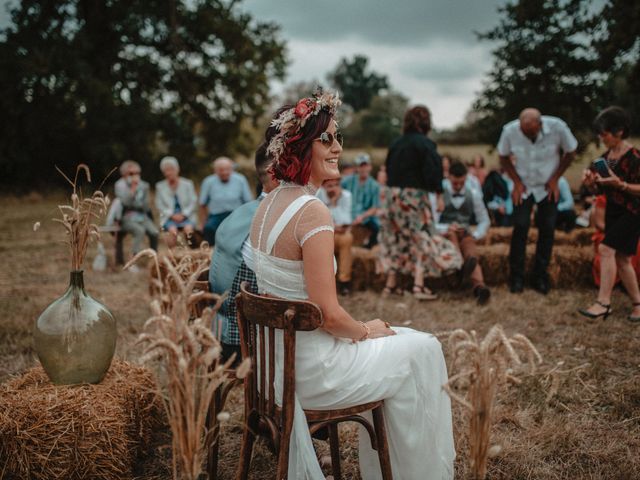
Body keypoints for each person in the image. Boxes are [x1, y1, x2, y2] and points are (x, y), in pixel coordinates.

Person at [244, 91, 455, 479]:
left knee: (407, 340)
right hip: (313, 373)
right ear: (300, 146)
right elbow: (328, 315)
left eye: (337, 138)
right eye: (327, 139)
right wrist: (365, 330)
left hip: (276, 371)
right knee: (425, 348)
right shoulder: (312, 212)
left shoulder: (268, 204)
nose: (338, 147)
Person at [380, 105, 463, 300]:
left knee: (396, 238)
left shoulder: (396, 144)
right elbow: (433, 174)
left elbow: (389, 171)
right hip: (414, 196)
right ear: (426, 123)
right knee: (421, 237)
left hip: (392, 196)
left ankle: (390, 285)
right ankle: (418, 285)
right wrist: (439, 195)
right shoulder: (426, 144)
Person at [209, 143, 278, 363]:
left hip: (216, 327)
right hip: (242, 338)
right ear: (275, 174)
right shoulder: (269, 221)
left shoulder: (241, 212)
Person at [498, 107, 578, 294]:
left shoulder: (558, 127)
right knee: (520, 227)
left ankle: (540, 277)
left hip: (547, 186)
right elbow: (502, 156)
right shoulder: (509, 130)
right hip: (523, 186)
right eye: (524, 133)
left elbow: (571, 152)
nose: (528, 136)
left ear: (540, 125)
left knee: (547, 228)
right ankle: (516, 278)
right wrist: (516, 181)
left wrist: (555, 178)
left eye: (531, 132)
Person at [579, 106, 640, 322]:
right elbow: (600, 190)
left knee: (606, 249)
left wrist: (621, 184)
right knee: (623, 259)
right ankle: (638, 305)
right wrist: (591, 183)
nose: (601, 137)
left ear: (619, 131)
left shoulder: (635, 157)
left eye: (604, 133)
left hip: (632, 212)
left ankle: (603, 303)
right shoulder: (605, 158)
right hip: (613, 212)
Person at [437, 161, 491, 304]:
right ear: (449, 178)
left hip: (465, 232)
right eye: (455, 183)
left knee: (471, 251)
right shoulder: (439, 193)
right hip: (447, 233)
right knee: (452, 238)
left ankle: (480, 288)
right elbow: (432, 221)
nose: (459, 186)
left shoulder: (473, 194)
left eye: (462, 183)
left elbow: (484, 220)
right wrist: (445, 228)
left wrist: (476, 234)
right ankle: (461, 268)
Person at [199, 156, 253, 245]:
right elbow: (202, 204)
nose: (224, 172)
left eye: (227, 169)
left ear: (232, 169)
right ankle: (211, 253)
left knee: (239, 230)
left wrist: (246, 219)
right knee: (208, 228)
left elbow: (248, 202)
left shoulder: (240, 180)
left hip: (235, 215)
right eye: (221, 170)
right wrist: (203, 223)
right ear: (215, 171)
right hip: (215, 216)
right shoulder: (208, 182)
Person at [114, 160, 158, 268]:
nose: (135, 176)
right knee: (139, 231)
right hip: (126, 217)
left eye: (137, 173)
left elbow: (146, 206)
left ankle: (154, 260)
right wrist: (133, 190)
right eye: (131, 173)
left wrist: (134, 204)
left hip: (142, 217)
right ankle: (132, 262)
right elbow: (125, 203)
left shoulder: (144, 185)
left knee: (154, 232)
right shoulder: (120, 185)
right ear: (124, 174)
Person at [317, 177, 354, 295]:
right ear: (323, 187)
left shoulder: (346, 196)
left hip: (338, 234)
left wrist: (335, 203)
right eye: (330, 186)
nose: (334, 188)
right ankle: (325, 283)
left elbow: (346, 221)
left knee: (347, 238)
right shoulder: (318, 196)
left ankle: (344, 282)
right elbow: (319, 221)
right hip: (324, 234)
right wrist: (333, 226)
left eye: (336, 185)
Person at [154, 156, 198, 247]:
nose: (169, 173)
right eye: (166, 170)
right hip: (169, 217)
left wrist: (184, 214)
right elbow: (159, 204)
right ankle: (174, 255)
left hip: (186, 216)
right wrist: (172, 215)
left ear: (177, 169)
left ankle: (194, 252)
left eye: (171, 169)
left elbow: (193, 202)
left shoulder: (187, 184)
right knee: (173, 232)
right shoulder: (160, 186)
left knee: (188, 231)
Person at [340, 153, 381, 248]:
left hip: (365, 216)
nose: (363, 169)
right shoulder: (347, 180)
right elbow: (337, 190)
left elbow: (374, 208)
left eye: (365, 165)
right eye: (360, 166)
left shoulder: (374, 185)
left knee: (377, 228)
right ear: (356, 168)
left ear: (370, 167)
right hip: (348, 213)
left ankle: (368, 248)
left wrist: (361, 217)